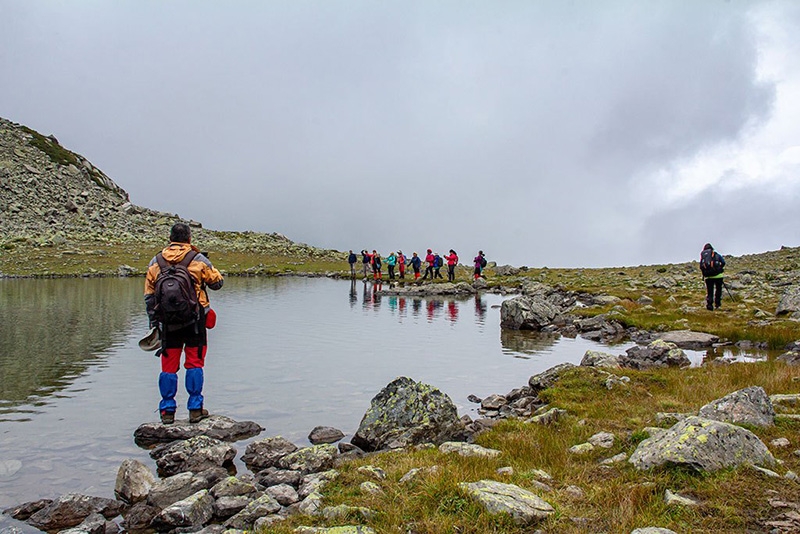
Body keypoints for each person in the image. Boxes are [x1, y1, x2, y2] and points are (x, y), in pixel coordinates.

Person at [144, 223, 223, 425]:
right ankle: (195, 409)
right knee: (194, 363)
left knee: (168, 367)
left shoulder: (156, 261)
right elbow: (217, 283)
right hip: (195, 321)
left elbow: (149, 297)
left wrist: (154, 323)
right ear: (189, 238)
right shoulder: (197, 259)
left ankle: (167, 411)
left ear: (170, 238)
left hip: (167, 323)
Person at [700, 243, 726, 311]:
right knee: (718, 290)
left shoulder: (704, 257)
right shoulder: (716, 255)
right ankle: (717, 304)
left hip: (708, 277)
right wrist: (720, 268)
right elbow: (723, 262)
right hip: (718, 276)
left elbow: (701, 266)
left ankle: (709, 305)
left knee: (710, 291)